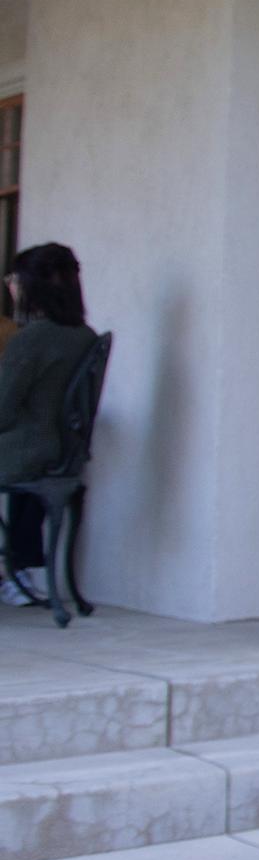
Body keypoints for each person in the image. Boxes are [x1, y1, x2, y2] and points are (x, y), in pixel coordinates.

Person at [0, 244, 92, 604]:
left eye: (14, 278)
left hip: (25, 451)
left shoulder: (31, 339)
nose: (10, 285)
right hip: (58, 450)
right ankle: (17, 574)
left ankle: (14, 575)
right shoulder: (83, 335)